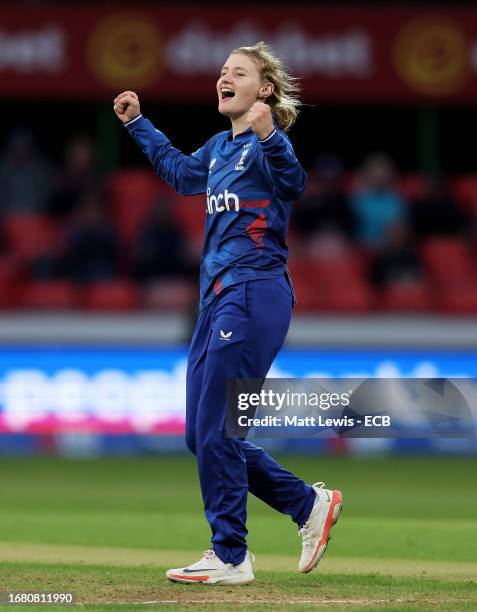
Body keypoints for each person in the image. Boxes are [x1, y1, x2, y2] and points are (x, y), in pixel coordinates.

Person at [114, 41, 342, 586]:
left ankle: (231, 555)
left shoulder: (268, 145)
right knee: (204, 435)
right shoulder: (219, 147)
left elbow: (294, 183)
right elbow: (181, 175)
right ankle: (306, 503)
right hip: (217, 299)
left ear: (263, 90)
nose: (224, 77)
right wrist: (139, 123)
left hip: (254, 292)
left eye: (238, 72)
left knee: (217, 429)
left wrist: (270, 133)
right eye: (222, 71)